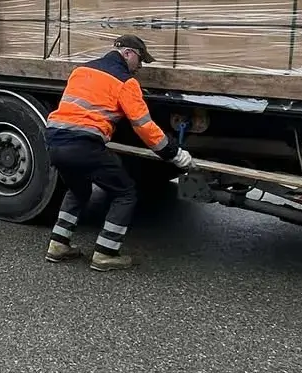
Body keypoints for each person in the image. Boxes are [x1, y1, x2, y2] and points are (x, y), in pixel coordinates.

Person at [44, 32, 191, 270]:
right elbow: (143, 126)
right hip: (84, 145)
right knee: (125, 193)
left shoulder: (81, 70)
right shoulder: (125, 82)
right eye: (140, 60)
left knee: (78, 189)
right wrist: (174, 154)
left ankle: (58, 244)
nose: (140, 67)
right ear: (128, 53)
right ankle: (105, 253)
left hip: (55, 141)